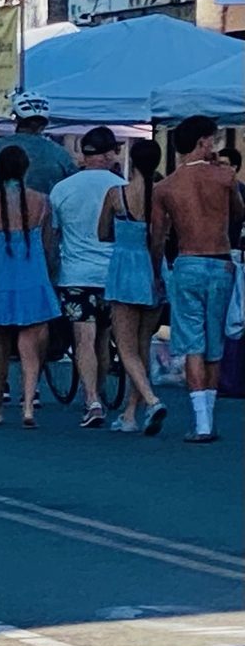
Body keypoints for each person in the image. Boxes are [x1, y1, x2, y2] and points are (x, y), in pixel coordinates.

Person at [152, 115, 244, 443]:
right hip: (220, 261)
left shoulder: (165, 186)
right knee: (214, 344)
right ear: (203, 142)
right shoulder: (225, 177)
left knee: (192, 344)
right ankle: (209, 418)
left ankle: (201, 421)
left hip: (187, 262)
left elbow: (158, 235)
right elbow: (238, 213)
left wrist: (157, 271)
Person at [0, 144, 61, 427]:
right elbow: (48, 245)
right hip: (32, 277)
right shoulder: (43, 202)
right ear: (26, 169)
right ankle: (28, 407)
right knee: (30, 347)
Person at [47, 126, 127, 427]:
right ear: (110, 153)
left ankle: (91, 399)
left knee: (84, 338)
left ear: (84, 153)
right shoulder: (122, 186)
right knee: (104, 337)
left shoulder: (62, 189)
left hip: (76, 273)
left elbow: (53, 235)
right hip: (112, 273)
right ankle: (101, 390)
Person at [96, 139, 170, 435]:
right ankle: (129, 413)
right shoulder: (163, 195)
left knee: (126, 348)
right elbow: (161, 239)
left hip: (125, 268)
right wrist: (157, 273)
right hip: (154, 269)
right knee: (143, 345)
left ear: (132, 161)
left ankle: (151, 401)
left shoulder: (117, 194)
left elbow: (102, 233)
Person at [0, 89, 77, 200]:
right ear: (45, 123)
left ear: (16, 119)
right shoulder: (59, 153)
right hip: (48, 210)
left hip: (1, 209)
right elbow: (74, 189)